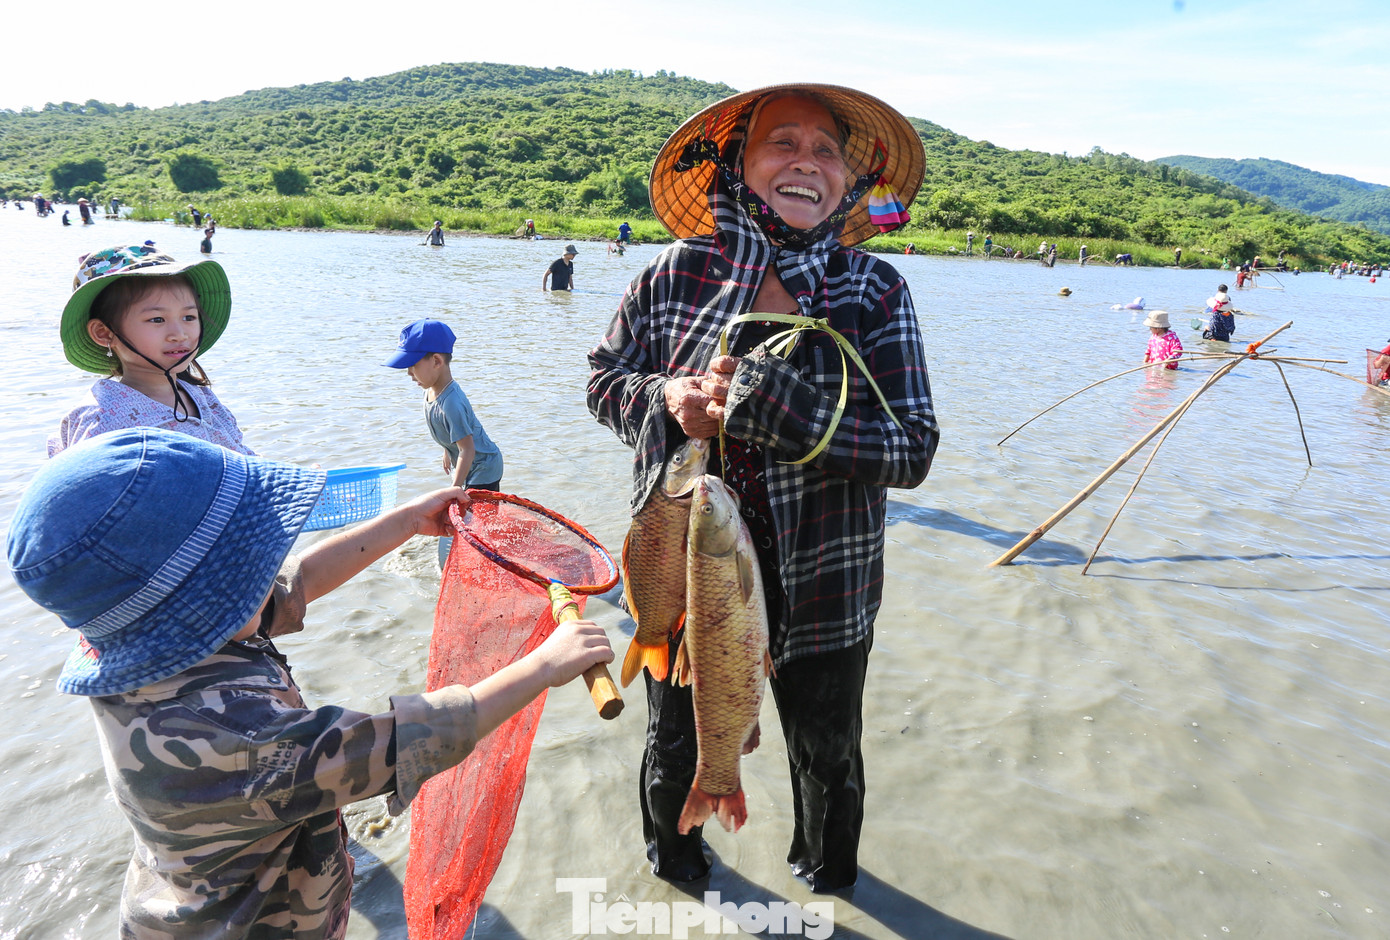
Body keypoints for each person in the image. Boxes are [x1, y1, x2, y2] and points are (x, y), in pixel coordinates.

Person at [6, 428, 613, 937]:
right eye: (247, 566)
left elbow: (296, 583)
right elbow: (411, 739)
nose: (268, 570)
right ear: (197, 606)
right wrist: (544, 665)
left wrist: (405, 520)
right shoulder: (231, 738)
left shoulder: (153, 643)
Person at [587, 83, 938, 893]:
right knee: (678, 747)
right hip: (683, 583)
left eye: (827, 151)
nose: (807, 162)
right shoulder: (671, 278)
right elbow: (605, 380)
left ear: (847, 184)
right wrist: (665, 399)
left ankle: (827, 881)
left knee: (828, 758)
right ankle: (677, 871)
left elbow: (910, 449)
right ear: (740, 165)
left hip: (828, 587)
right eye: (784, 142)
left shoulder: (872, 291)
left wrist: (768, 405)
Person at [48, 244, 252, 457]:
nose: (179, 334)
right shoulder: (103, 419)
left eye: (189, 317)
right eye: (157, 319)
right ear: (105, 333)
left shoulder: (202, 397)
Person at [384, 319, 503, 565]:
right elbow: (453, 438)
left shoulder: (451, 402)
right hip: (467, 460)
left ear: (437, 361)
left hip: (484, 466)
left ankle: (490, 559)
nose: (408, 373)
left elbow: (467, 448)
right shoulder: (429, 391)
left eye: (412, 365)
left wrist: (454, 489)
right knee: (470, 515)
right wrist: (447, 450)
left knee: (482, 522)